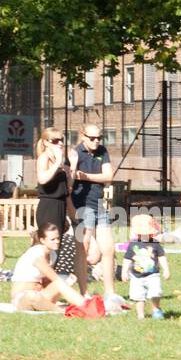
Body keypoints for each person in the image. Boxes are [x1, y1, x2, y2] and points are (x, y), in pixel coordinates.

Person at [70, 122, 121, 305]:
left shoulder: (102, 151)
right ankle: (83, 293)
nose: (96, 141)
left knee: (109, 248)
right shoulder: (75, 153)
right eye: (92, 138)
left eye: (99, 137)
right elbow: (71, 176)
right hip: (83, 206)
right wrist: (79, 175)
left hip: (99, 205)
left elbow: (108, 177)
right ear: (83, 136)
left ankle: (110, 293)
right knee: (83, 250)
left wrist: (86, 177)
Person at [11, 222, 90, 312]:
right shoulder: (36, 253)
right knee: (35, 294)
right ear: (42, 240)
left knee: (61, 282)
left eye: (58, 238)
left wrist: (67, 282)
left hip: (40, 295)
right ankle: (79, 307)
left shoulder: (52, 255)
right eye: (52, 239)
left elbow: (48, 281)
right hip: (22, 298)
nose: (57, 241)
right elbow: (54, 278)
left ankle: (84, 305)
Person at [124, 214, 170, 320]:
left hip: (153, 275)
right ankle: (140, 314)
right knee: (138, 297)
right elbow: (127, 259)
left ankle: (156, 309)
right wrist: (124, 271)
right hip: (136, 276)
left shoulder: (155, 244)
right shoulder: (133, 244)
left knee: (155, 293)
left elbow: (162, 257)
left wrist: (166, 269)